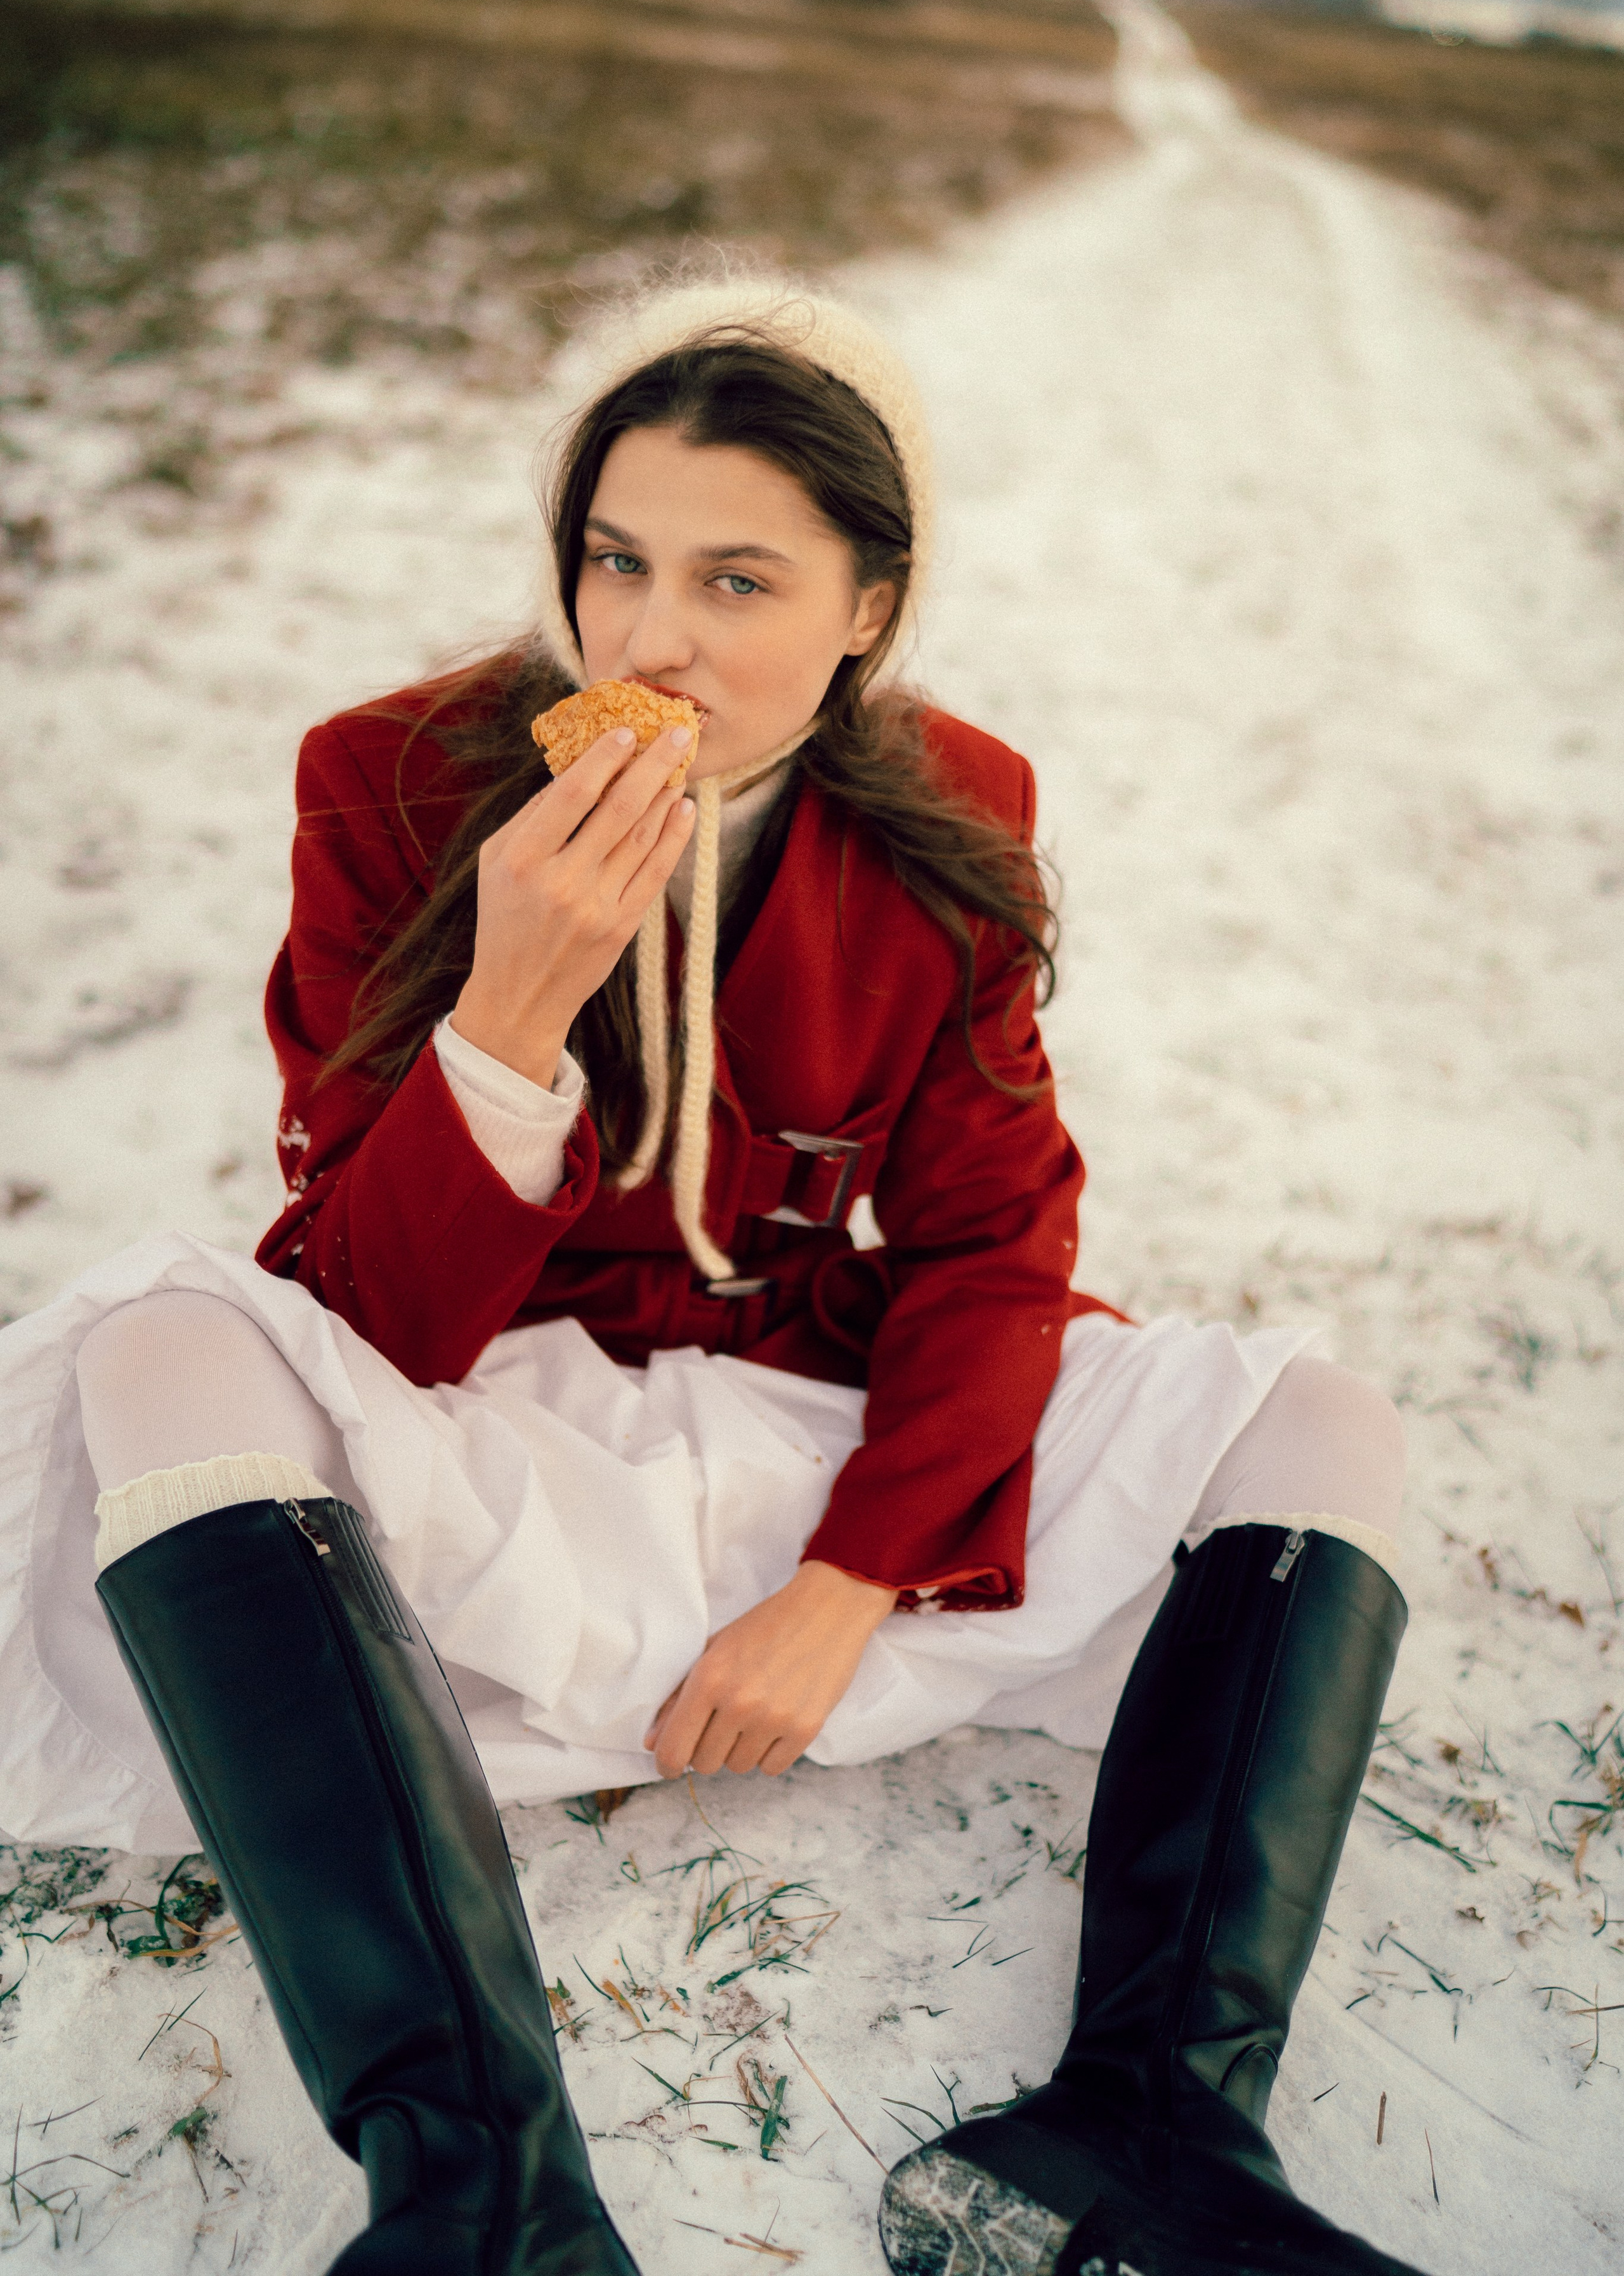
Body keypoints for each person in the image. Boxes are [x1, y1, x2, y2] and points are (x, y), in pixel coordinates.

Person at [0, 278, 1429, 2276]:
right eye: (615, 559)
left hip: (780, 1429)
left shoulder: (954, 815)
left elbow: (992, 1235)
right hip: (475, 1444)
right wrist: (507, 1009)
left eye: (739, 581)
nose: (652, 638)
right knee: (157, 1348)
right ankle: (484, 2201)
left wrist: (850, 1584)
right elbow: (364, 1309)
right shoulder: (390, 779)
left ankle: (1153, 2131)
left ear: (869, 610)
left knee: (1321, 1417)